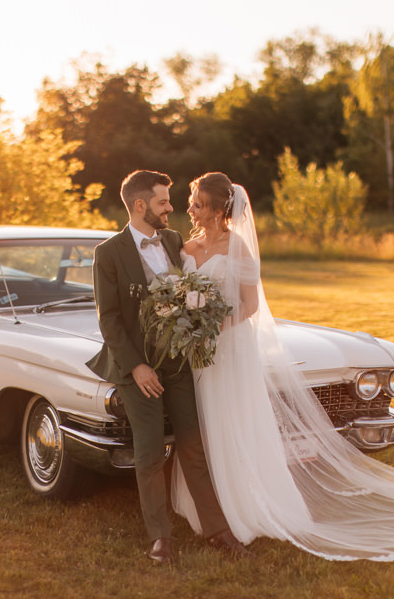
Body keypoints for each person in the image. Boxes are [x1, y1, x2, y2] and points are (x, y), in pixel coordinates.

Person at [171, 172, 394, 561]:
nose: (190, 209)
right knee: (203, 423)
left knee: (232, 421)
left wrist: (217, 326)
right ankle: (205, 505)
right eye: (192, 202)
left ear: (220, 210)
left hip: (229, 349)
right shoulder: (186, 247)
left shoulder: (238, 247)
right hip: (197, 354)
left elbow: (251, 305)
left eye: (198, 203)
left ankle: (246, 507)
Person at [86, 170, 248, 565]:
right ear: (140, 205)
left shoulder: (175, 241)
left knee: (193, 444)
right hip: (137, 370)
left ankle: (217, 529)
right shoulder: (108, 253)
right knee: (149, 453)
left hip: (179, 362)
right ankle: (160, 537)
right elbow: (109, 320)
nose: (171, 208)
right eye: (163, 201)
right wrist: (138, 368)